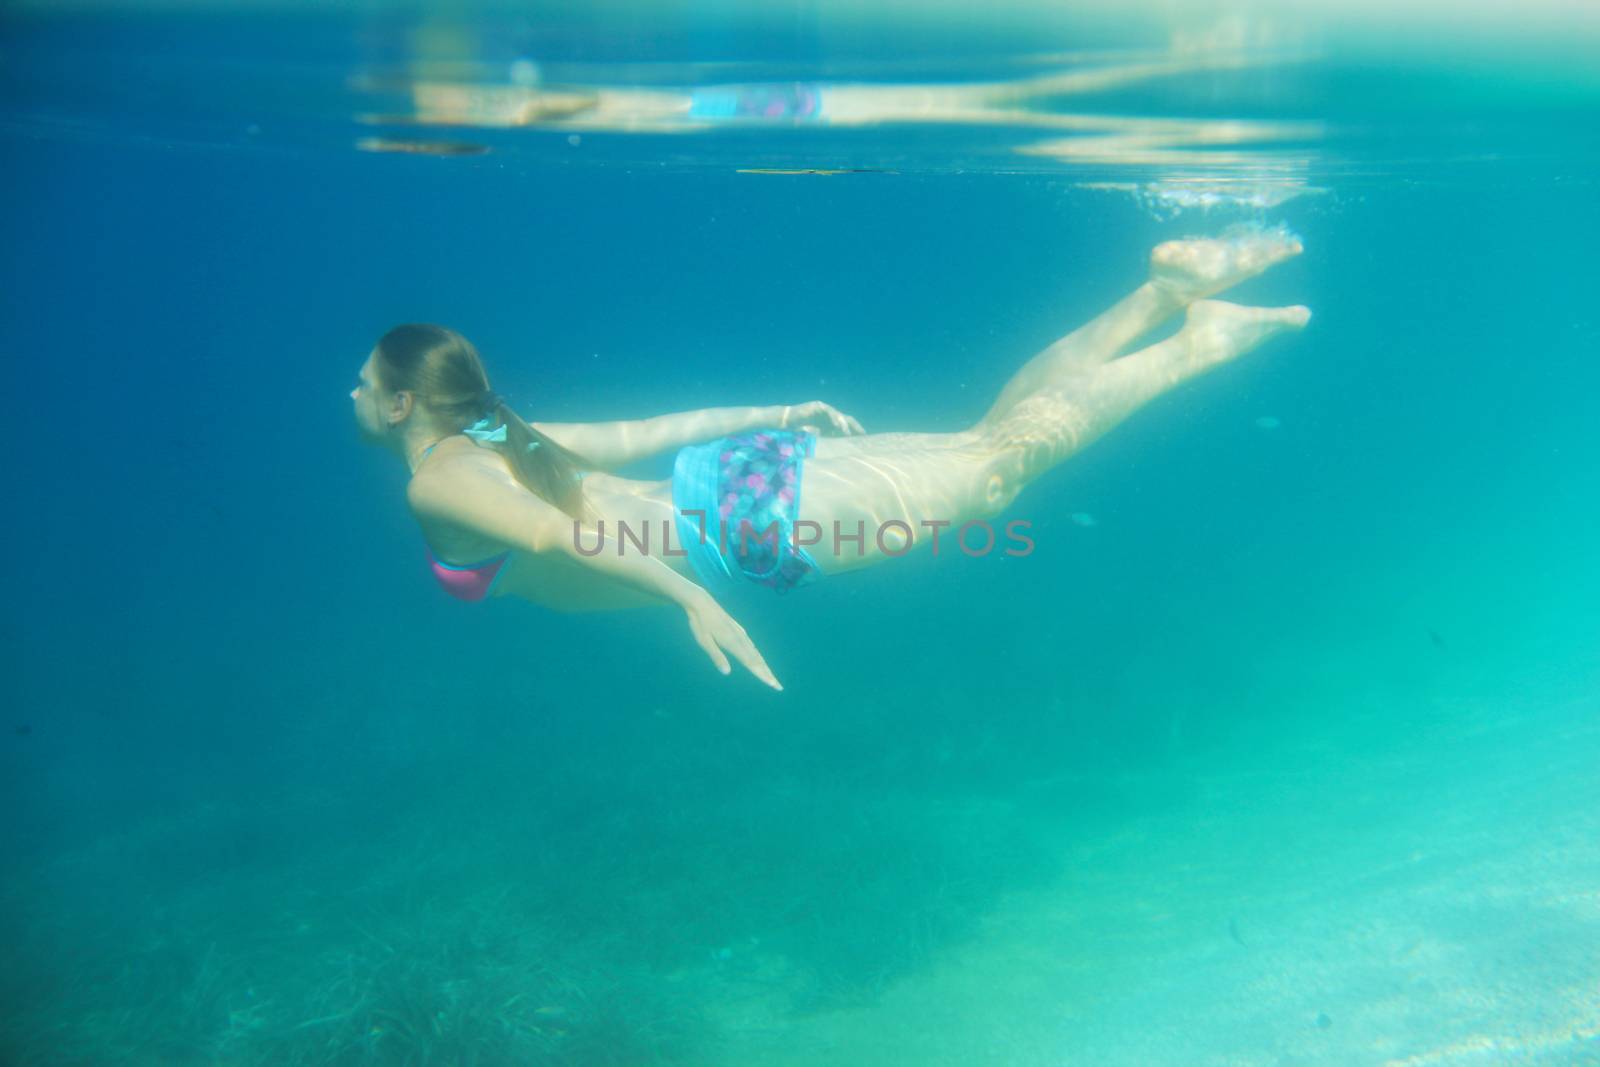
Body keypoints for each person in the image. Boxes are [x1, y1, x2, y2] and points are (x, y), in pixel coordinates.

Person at [352, 230, 1308, 691]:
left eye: (362, 384)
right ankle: (1155, 301)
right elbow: (641, 431)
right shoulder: (497, 434)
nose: (350, 397)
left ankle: (1194, 340)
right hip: (732, 480)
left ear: (404, 403)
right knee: (986, 444)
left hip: (738, 529)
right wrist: (776, 410)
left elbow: (567, 532)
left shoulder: (436, 477)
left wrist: (694, 599)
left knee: (994, 470)